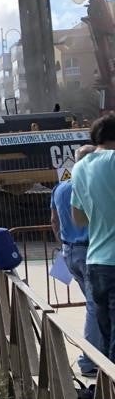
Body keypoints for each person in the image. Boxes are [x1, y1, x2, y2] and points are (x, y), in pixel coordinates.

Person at [52, 144, 100, 375]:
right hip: (91, 251)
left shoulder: (60, 188)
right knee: (95, 306)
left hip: (69, 251)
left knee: (95, 304)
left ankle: (99, 355)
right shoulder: (90, 187)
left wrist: (63, 244)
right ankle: (88, 361)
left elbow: (54, 220)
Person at [72, 113, 115, 362]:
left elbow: (78, 218)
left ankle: (106, 382)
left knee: (107, 334)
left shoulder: (79, 168)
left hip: (96, 261)